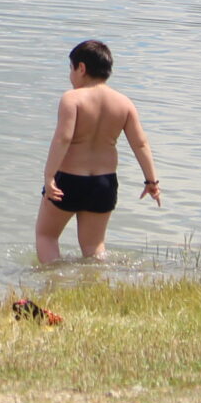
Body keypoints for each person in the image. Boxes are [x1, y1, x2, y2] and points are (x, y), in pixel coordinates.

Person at [36, 40, 161, 263]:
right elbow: (140, 143)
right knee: (94, 246)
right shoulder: (124, 103)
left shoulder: (72, 98)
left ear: (81, 68)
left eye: (71, 69)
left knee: (46, 236)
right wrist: (151, 181)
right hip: (104, 183)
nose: (70, 76)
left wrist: (49, 176)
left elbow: (63, 138)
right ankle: (97, 285)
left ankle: (53, 285)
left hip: (69, 181)